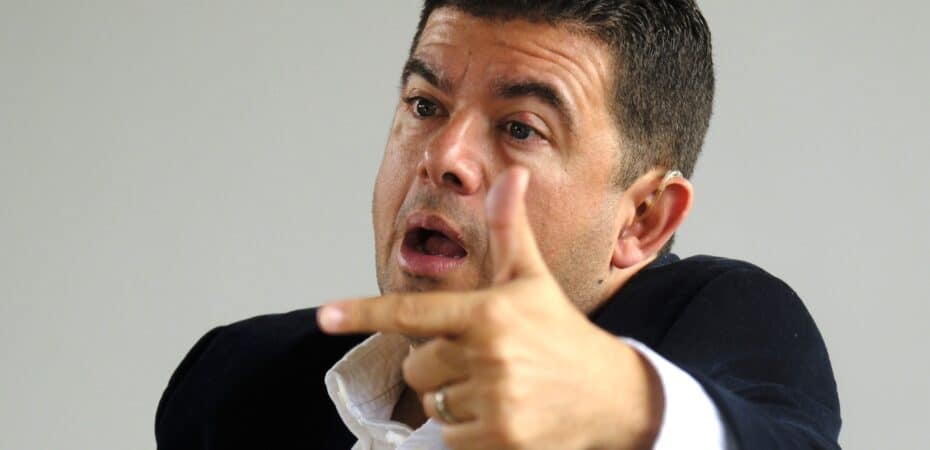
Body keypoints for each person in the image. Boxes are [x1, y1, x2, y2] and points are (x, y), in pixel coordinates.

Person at [155, 1, 841, 449]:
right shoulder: (238, 383)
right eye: (425, 105)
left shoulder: (722, 320)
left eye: (520, 128)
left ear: (643, 218)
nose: (443, 157)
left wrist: (620, 403)